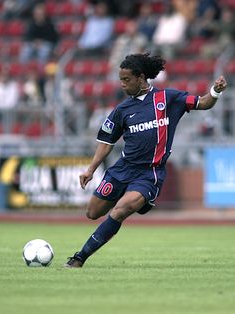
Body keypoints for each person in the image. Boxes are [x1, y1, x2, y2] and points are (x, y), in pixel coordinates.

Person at [63, 53, 227, 268]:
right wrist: (91, 169)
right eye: (120, 80)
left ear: (141, 78)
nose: (122, 84)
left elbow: (203, 103)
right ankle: (130, 197)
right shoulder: (121, 110)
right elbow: (106, 142)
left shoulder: (168, 99)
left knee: (120, 211)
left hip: (150, 173)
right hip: (122, 169)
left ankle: (79, 258)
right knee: (92, 212)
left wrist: (215, 91)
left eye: (126, 79)